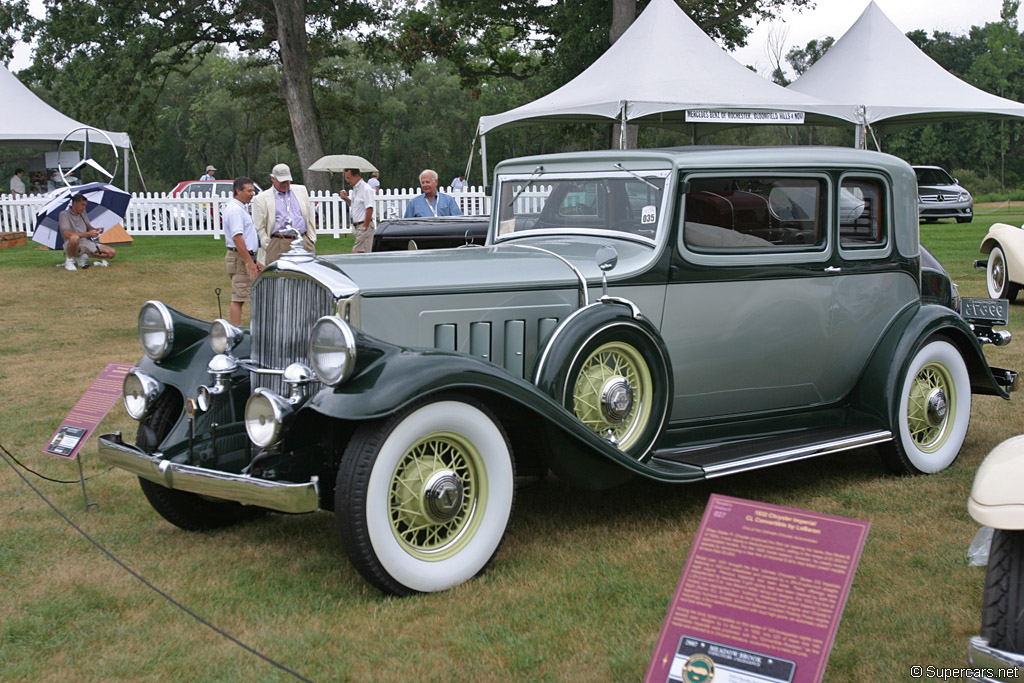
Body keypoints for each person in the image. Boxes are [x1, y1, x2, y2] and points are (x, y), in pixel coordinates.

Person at [251, 163, 316, 266]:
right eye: (282, 181)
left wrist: (311, 239)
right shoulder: (262, 198)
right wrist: (268, 244)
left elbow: (309, 215)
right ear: (273, 178)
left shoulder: (301, 190)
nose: (285, 184)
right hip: (278, 242)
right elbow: (260, 226)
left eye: (287, 181)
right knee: (278, 277)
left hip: (302, 240)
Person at [223, 177, 262, 325]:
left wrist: (253, 259)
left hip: (246, 256)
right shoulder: (234, 211)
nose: (252, 194)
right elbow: (237, 237)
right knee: (239, 297)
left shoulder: (240, 208)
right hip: (239, 258)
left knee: (247, 294)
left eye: (253, 190)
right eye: (249, 191)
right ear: (238, 191)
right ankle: (235, 332)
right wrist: (248, 261)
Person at [59, 194, 116, 271]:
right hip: (71, 242)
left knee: (111, 253)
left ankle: (84, 256)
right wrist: (87, 234)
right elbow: (66, 234)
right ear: (75, 203)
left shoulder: (83, 213)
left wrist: (96, 230)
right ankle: (69, 261)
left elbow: (89, 227)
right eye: (82, 205)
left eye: (85, 205)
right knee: (74, 238)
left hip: (85, 242)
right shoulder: (64, 214)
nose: (84, 208)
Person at [339, 168, 375, 253]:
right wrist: (346, 199)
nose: (347, 181)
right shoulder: (355, 189)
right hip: (357, 227)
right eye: (346, 178)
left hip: (364, 226)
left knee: (355, 254)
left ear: (357, 176)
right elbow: (354, 205)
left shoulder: (366, 188)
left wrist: (365, 227)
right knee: (364, 255)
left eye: (349, 178)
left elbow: (370, 208)